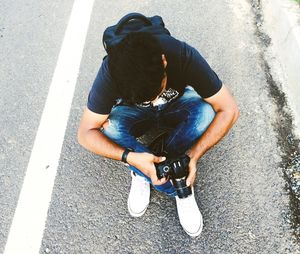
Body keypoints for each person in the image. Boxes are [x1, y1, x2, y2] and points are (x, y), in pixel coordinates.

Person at [77, 32, 239, 237]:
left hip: (177, 104)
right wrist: (130, 157)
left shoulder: (181, 55)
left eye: (158, 90)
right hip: (134, 115)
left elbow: (230, 109)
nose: (154, 100)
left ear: (164, 61)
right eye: (147, 98)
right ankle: (145, 170)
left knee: (206, 112)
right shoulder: (110, 72)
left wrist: (193, 156)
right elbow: (85, 133)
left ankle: (175, 168)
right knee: (109, 127)